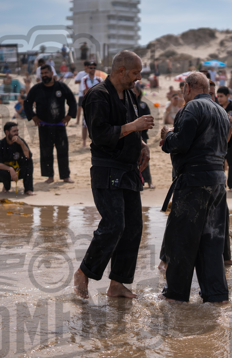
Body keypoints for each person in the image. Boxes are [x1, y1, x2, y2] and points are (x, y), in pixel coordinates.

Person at [73, 50, 153, 299]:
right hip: (106, 169)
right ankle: (84, 272)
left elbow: (130, 129)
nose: (139, 78)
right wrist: (134, 126)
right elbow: (100, 135)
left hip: (129, 169)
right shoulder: (97, 95)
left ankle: (117, 283)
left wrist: (142, 145)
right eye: (136, 73)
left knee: (133, 227)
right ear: (121, 71)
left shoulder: (129, 94)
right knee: (114, 224)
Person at [158, 72, 230, 303]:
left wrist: (167, 136)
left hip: (193, 182)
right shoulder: (222, 112)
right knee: (212, 241)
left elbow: (181, 143)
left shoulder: (190, 108)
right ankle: (216, 296)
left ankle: (175, 296)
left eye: (183, 89)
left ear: (188, 88)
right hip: (217, 182)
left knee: (181, 240)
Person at [24, 64, 77, 184]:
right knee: (46, 152)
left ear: (52, 73)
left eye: (46, 73)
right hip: (44, 126)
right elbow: (27, 103)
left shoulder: (61, 87)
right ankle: (49, 176)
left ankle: (65, 176)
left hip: (59, 125)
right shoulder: (37, 88)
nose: (44, 75)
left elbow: (72, 101)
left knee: (62, 150)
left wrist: (69, 116)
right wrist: (34, 117)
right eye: (42, 74)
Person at [0, 122, 34, 195]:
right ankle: (6, 187)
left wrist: (22, 144)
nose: (16, 133)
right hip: (6, 172)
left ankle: (28, 189)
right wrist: (10, 169)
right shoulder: (0, 144)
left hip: (18, 170)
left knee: (29, 162)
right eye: (14, 131)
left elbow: (28, 156)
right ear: (7, 132)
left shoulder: (20, 141)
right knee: (2, 172)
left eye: (17, 131)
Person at [217, 86, 232, 191]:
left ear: (227, 96)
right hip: (219, 137)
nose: (219, 98)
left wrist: (228, 121)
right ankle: (220, 184)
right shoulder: (217, 107)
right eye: (218, 96)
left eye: (221, 96)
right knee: (219, 161)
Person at [133, 82, 155, 189]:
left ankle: (149, 181)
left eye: (134, 91)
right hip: (129, 134)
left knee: (144, 157)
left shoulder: (143, 105)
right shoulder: (126, 105)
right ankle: (137, 182)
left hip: (142, 136)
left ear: (138, 92)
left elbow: (149, 120)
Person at [80, 61, 103, 148]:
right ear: (87, 68)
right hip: (88, 104)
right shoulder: (84, 79)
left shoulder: (99, 79)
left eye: (94, 68)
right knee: (85, 124)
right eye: (91, 68)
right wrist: (96, 90)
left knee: (97, 122)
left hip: (97, 104)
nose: (92, 69)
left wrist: (92, 90)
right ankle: (84, 142)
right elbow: (85, 91)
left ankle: (95, 141)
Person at [74, 61, 91, 125]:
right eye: (88, 66)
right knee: (79, 107)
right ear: (85, 66)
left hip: (89, 93)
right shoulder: (81, 73)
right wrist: (83, 80)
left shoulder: (91, 74)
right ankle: (77, 121)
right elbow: (75, 82)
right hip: (82, 93)